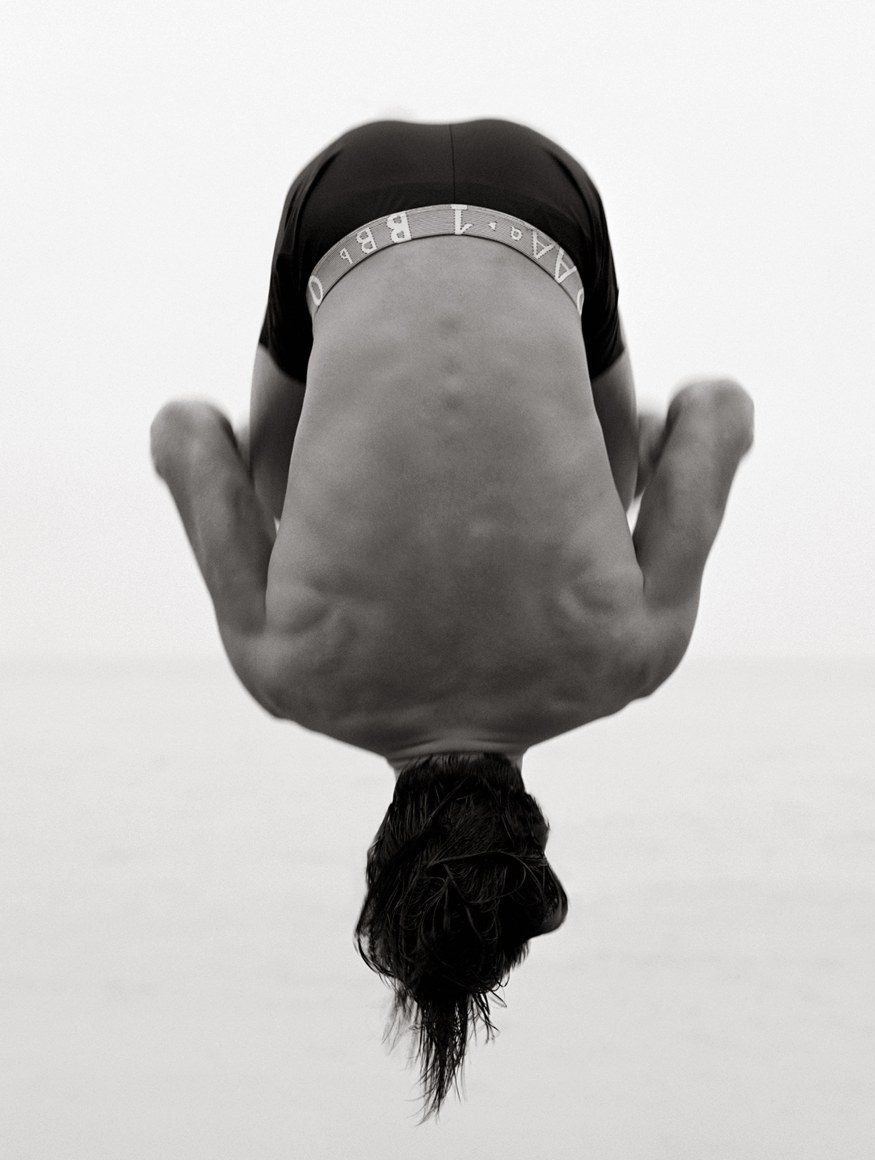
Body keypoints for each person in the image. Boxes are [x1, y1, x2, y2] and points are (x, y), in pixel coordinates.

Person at [150, 118, 754, 1120]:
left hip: (545, 200)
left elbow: (721, 407)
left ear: (535, 835)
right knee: (269, 493)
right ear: (381, 847)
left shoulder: (627, 657)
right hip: (342, 201)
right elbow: (183, 430)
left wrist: (627, 473)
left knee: (613, 487)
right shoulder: (286, 672)